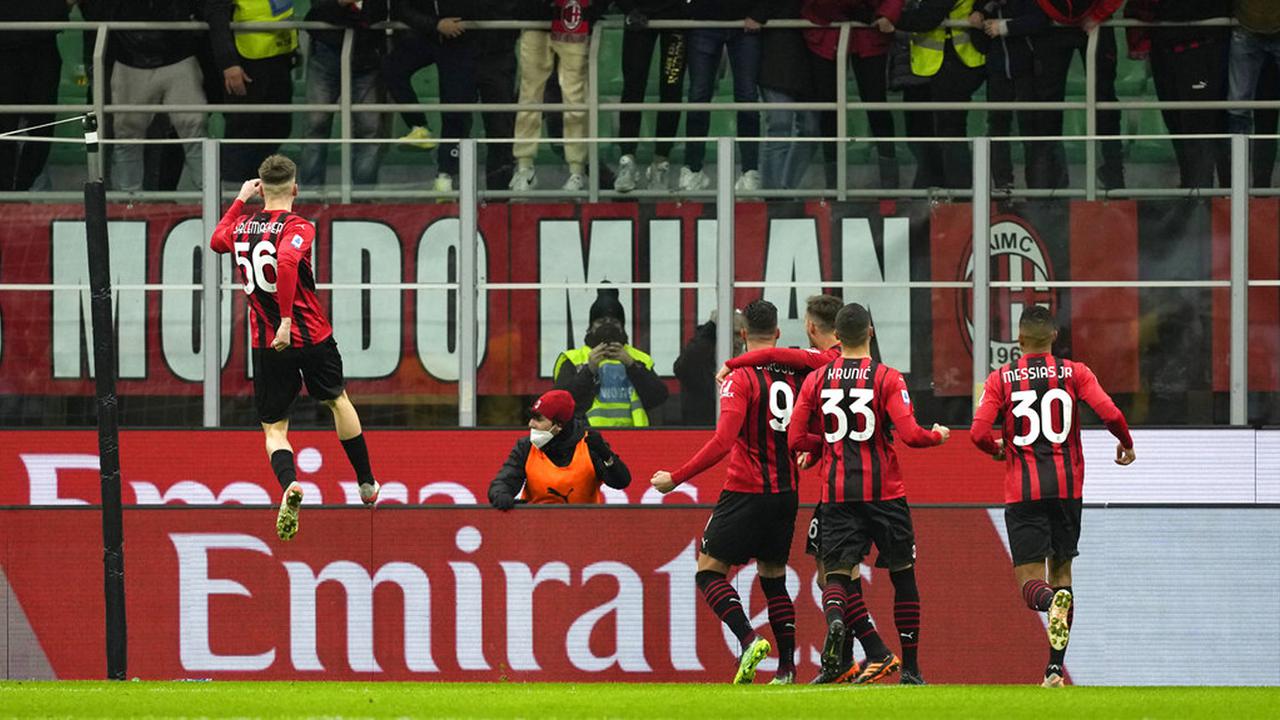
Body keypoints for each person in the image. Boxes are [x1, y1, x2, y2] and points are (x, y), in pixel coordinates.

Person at [209, 155, 380, 541]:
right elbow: (286, 260)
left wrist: (238, 200)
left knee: (274, 427)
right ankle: (366, 483)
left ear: (260, 189)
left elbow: (216, 240)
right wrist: (287, 319)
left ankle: (289, 485)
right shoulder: (299, 225)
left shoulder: (240, 226)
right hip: (310, 334)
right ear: (295, 189)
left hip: (268, 344)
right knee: (338, 400)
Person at [969, 305, 1136, 688]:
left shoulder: (1001, 379)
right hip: (1067, 489)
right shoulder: (1075, 372)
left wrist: (997, 447)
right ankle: (1054, 670)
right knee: (1061, 573)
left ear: (1020, 338)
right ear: (1054, 337)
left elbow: (978, 433)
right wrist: (1125, 443)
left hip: (1023, 491)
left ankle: (1048, 604)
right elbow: (1110, 412)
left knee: (1031, 584)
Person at [788, 303, 949, 686]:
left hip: (839, 493)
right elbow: (910, 435)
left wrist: (825, 442)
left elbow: (795, 439)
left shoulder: (817, 380)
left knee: (837, 577)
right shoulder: (888, 378)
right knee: (903, 576)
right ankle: (910, 669)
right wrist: (936, 436)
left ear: (837, 338)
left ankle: (838, 622)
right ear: (871, 333)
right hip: (885, 494)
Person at [650, 301, 803, 684]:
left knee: (709, 572)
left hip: (746, 490)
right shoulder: (799, 373)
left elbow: (722, 441)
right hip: (786, 493)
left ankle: (749, 640)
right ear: (779, 334)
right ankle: (786, 670)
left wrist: (677, 477)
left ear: (741, 334)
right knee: (773, 577)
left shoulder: (740, 378)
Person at [80, 0, 206, 193]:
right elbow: (96, 10)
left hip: (178, 55)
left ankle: (210, 198)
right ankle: (130, 203)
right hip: (130, 57)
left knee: (193, 128)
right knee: (128, 135)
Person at [875, 0, 986, 189]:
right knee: (924, 129)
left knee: (950, 129)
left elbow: (929, 17)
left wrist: (890, 17)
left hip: (957, 60)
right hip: (927, 63)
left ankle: (959, 195)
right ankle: (937, 187)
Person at [1125, 0, 1230, 190]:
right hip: (1164, 47)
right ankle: (1191, 190)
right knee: (1175, 121)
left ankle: (1204, 195)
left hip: (1203, 45)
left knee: (1199, 124)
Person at [804, 0, 903, 190]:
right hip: (827, 33)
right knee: (828, 108)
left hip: (869, 34)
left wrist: (886, 14)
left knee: (876, 105)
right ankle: (833, 187)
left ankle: (890, 187)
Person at [383, 0, 478, 193]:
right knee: (392, 68)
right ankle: (419, 127)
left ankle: (446, 173)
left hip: (461, 39)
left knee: (454, 106)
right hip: (427, 34)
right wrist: (435, 24)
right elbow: (401, 8)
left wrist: (464, 21)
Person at [510, 0, 605, 192]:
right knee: (529, 95)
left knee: (575, 98)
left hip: (573, 15)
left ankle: (576, 171)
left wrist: (592, 10)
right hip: (534, 19)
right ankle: (524, 166)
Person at [1031, 0, 1125, 190]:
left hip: (1098, 22)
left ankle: (1113, 178)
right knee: (1048, 104)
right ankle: (1051, 183)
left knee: (1105, 103)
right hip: (1049, 24)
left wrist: (1100, 14)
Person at [680, 0, 772, 192]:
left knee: (747, 97)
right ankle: (692, 168)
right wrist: (688, 9)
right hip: (702, 23)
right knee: (698, 95)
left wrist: (760, 12)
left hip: (746, 24)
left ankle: (750, 172)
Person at [206, 0, 298, 184]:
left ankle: (261, 185)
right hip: (245, 63)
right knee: (243, 129)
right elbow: (216, 17)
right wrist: (229, 63)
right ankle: (234, 192)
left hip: (280, 57)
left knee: (278, 125)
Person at [489, 390, 631, 507]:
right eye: (531, 417)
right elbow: (504, 481)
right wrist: (500, 494)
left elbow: (621, 482)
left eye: (538, 419)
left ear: (559, 426)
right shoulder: (526, 447)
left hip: (585, 528)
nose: (530, 424)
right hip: (536, 527)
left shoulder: (590, 445)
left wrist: (606, 455)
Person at [300, 0, 386, 188]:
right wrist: (340, 3)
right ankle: (310, 196)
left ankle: (364, 197)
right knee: (316, 124)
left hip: (368, 56)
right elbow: (317, 12)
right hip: (325, 52)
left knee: (369, 128)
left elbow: (380, 14)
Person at [553, 287, 669, 427]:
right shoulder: (574, 358)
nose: (608, 325)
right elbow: (559, 404)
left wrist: (632, 365)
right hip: (587, 437)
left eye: (614, 322)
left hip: (634, 437)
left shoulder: (639, 358)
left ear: (622, 327)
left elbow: (658, 397)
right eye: (601, 321)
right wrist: (588, 371)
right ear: (590, 328)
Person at [969, 0, 1051, 190]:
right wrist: (977, 23)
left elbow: (1040, 20)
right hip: (996, 72)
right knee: (997, 127)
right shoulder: (984, 5)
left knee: (1030, 127)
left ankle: (1037, 188)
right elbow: (980, 43)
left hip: (1028, 70)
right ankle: (1002, 186)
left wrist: (1006, 27)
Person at [613, 0, 687, 193]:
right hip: (637, 16)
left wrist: (688, 8)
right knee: (633, 87)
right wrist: (628, 8)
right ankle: (627, 160)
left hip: (676, 19)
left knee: (672, 87)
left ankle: (661, 163)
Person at [0, 0, 70, 191]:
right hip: (6, 47)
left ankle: (23, 190)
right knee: (5, 126)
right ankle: (8, 195)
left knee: (42, 125)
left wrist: (59, 8)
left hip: (42, 44)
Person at [758, 0, 817, 191]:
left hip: (813, 55)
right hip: (777, 52)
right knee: (779, 125)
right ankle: (773, 195)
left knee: (811, 129)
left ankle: (786, 189)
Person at [1226, 0, 1280, 186]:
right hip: (1245, 28)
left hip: (1247, 28)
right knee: (1237, 110)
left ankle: (1244, 187)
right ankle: (1236, 186)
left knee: (1238, 110)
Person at [673, 310, 744, 426]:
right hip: (703, 434)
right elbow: (683, 367)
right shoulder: (701, 368)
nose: (738, 341)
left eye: (741, 334)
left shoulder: (750, 367)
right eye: (732, 334)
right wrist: (710, 328)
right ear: (716, 336)